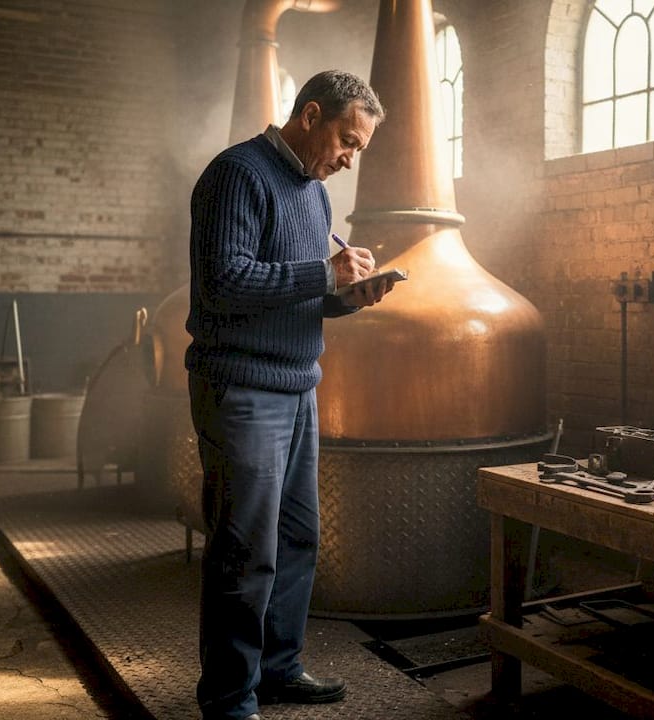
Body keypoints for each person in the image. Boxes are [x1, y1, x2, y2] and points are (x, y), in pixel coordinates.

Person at [184, 69, 391, 720]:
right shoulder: (236, 174)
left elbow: (300, 297)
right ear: (310, 115)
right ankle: (228, 698)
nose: (349, 159)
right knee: (246, 549)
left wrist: (348, 298)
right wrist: (321, 272)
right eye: (347, 141)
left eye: (359, 150)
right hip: (242, 388)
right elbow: (225, 281)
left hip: (298, 387)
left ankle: (276, 670)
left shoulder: (315, 194)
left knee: (298, 539)